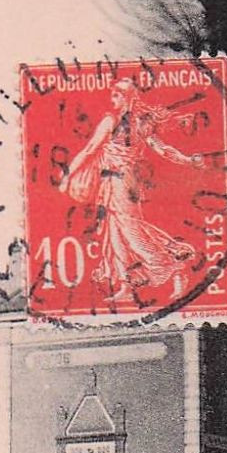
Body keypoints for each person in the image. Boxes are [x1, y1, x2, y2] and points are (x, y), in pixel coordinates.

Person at [58, 78, 210, 305]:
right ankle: (125, 286)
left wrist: (68, 175)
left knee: (132, 232)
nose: (112, 99)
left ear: (127, 96)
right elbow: (163, 150)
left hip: (120, 182)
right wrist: (188, 160)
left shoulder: (116, 121)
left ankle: (173, 268)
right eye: (112, 95)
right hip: (115, 183)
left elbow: (91, 149)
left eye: (117, 95)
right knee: (115, 234)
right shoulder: (134, 123)